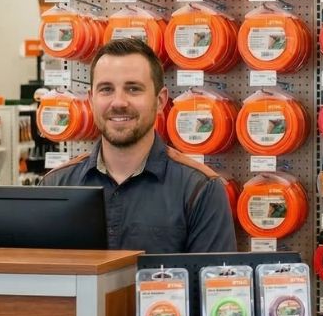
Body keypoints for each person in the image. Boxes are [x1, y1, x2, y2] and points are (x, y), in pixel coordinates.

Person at [43, 37, 237, 253]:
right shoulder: (55, 186)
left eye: (133, 89)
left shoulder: (200, 190)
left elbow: (212, 283)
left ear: (160, 100)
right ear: (91, 100)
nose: (118, 102)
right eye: (106, 89)